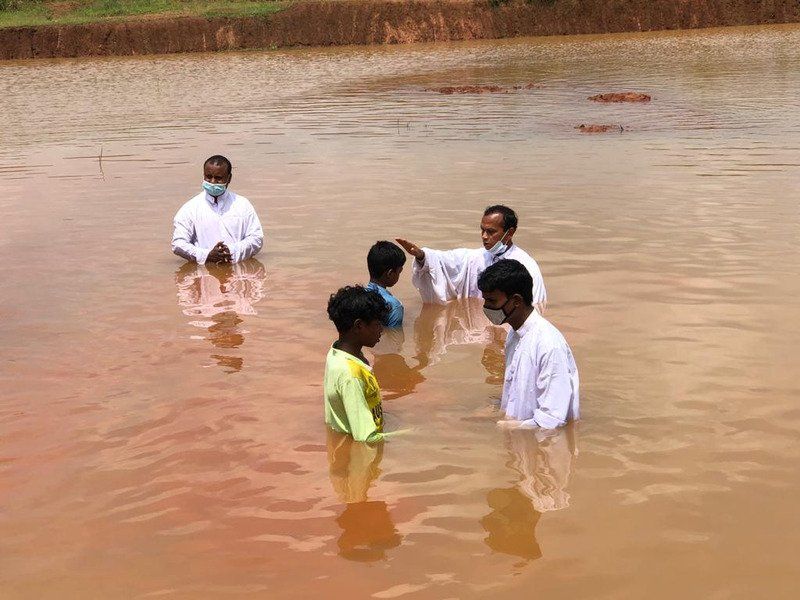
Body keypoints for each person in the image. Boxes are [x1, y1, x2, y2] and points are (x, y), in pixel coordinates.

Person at [477, 259, 579, 429]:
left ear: (516, 300)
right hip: (519, 444)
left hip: (543, 449)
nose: (486, 307)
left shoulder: (548, 345)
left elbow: (553, 420)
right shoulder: (514, 335)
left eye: (492, 301)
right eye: (485, 301)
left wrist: (508, 427)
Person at [396, 205, 546, 312]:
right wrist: (422, 256)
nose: (484, 236)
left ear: (510, 232)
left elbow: (535, 305)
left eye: (491, 232)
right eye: (482, 230)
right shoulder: (476, 257)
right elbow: (446, 260)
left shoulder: (525, 265)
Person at [324, 285, 392, 443]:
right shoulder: (351, 375)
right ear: (359, 326)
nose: (381, 329)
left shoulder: (338, 353)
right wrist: (413, 433)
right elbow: (366, 438)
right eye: (377, 324)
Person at [172, 155, 263, 265]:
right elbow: (178, 243)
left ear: (229, 178)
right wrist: (206, 255)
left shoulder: (242, 205)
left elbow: (256, 239)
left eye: (218, 178)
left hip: (238, 271)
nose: (213, 182)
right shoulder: (190, 208)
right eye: (208, 177)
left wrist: (232, 251)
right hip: (204, 274)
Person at [366, 240, 406, 328]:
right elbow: (395, 340)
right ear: (390, 273)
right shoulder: (394, 306)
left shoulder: (359, 297)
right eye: (399, 272)